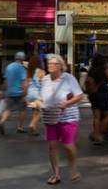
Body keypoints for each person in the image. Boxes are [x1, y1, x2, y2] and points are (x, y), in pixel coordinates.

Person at [40, 53, 84, 185]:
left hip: (68, 116)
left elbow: (80, 96)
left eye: (54, 64)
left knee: (68, 145)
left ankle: (73, 168)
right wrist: (39, 102)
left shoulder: (68, 78)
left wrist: (67, 103)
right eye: (49, 63)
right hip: (50, 116)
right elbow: (43, 96)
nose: (51, 66)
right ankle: (56, 174)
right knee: (52, 146)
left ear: (61, 66)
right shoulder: (45, 79)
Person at [85, 53, 108, 144]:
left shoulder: (91, 70)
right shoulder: (105, 69)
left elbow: (88, 82)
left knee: (96, 116)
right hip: (102, 95)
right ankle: (98, 133)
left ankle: (95, 134)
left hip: (93, 95)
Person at [0, 51, 28, 135]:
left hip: (10, 92)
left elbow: (6, 81)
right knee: (22, 110)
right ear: (23, 59)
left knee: (8, 109)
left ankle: (2, 122)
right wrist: (25, 93)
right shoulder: (22, 68)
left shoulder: (9, 67)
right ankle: (20, 127)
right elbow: (24, 82)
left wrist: (4, 91)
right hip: (19, 92)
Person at [25, 54, 45, 136]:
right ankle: (32, 125)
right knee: (40, 113)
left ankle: (34, 130)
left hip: (29, 95)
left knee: (35, 112)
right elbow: (44, 83)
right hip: (37, 95)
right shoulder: (40, 71)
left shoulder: (29, 71)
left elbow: (26, 83)